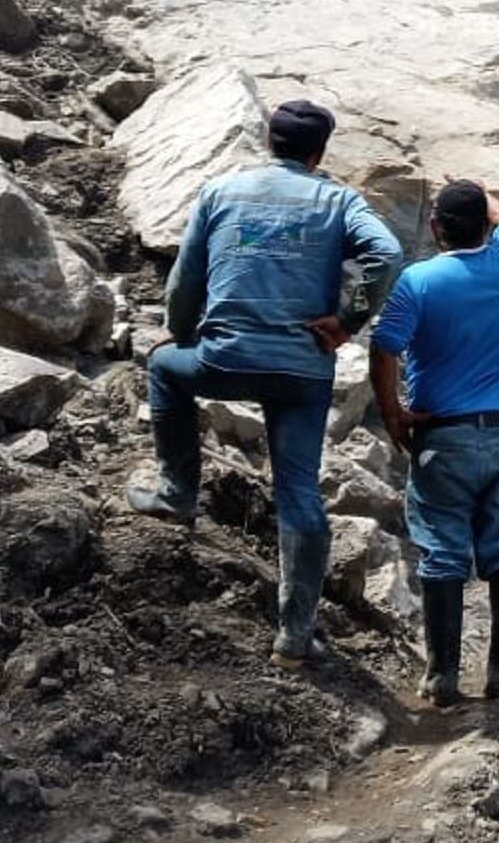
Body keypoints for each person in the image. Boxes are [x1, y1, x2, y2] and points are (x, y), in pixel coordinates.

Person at [130, 99, 403, 669]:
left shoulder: (220, 191)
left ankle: (177, 493)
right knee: (299, 494)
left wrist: (178, 334)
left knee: (164, 369)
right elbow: (387, 251)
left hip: (222, 361)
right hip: (301, 371)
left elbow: (185, 281)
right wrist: (349, 321)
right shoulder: (337, 200)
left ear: (268, 141)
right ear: (319, 152)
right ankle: (294, 638)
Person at [369, 179, 499, 705]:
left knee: (441, 553)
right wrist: (480, 192)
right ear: (484, 226)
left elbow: (384, 347)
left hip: (442, 437)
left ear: (436, 228)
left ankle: (443, 677)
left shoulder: (417, 281)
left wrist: (393, 413)